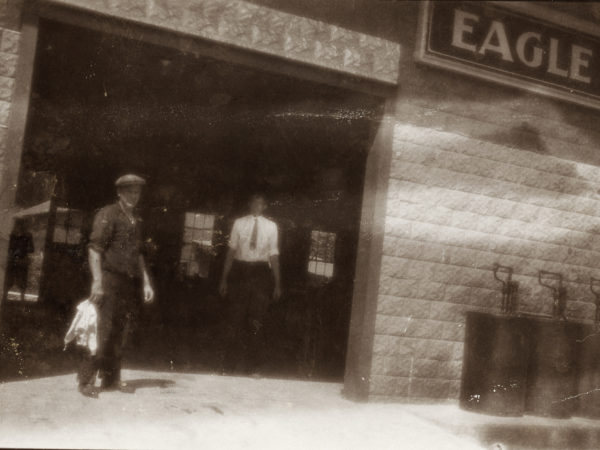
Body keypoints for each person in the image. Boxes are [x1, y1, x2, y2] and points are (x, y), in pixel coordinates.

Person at [78, 174, 154, 398]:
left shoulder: (137, 219)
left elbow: (139, 254)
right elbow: (95, 249)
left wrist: (147, 282)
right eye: (130, 191)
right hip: (109, 279)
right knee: (101, 328)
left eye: (137, 192)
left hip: (129, 282)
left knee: (121, 331)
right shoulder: (108, 214)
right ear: (119, 193)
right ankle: (86, 380)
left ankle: (111, 378)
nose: (134, 196)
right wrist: (97, 281)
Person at [219, 193, 282, 375]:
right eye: (254, 202)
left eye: (261, 203)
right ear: (249, 204)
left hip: (261, 273)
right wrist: (224, 278)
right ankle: (228, 366)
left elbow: (274, 255)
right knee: (235, 318)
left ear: (265, 206)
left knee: (257, 320)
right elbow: (231, 252)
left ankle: (254, 367)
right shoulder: (239, 223)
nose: (257, 206)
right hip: (240, 271)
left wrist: (277, 284)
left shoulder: (272, 226)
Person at [5, 218, 34, 301]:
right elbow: (9, 248)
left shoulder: (28, 235)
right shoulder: (13, 235)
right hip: (14, 260)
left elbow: (31, 249)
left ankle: (21, 298)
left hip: (22, 260)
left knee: (22, 281)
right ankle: (6, 297)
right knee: (10, 280)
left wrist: (22, 250)